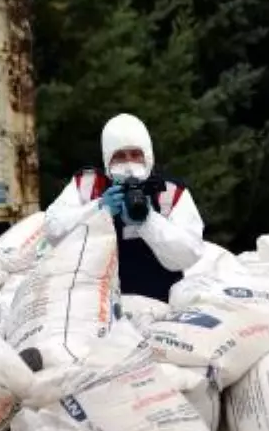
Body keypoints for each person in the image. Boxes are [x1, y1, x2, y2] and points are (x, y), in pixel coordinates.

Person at [46, 113, 205, 302]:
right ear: (107, 159)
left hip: (158, 303)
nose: (129, 163)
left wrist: (148, 221)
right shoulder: (88, 185)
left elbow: (188, 254)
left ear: (148, 155)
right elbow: (53, 229)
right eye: (119, 157)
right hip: (96, 303)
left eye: (135, 154)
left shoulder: (169, 193)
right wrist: (98, 209)